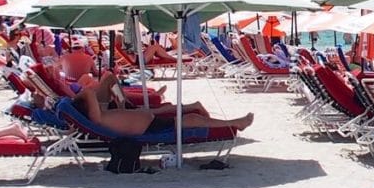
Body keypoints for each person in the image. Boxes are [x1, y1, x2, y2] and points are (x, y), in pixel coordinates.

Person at [78, 78, 252, 135]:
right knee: (192, 119)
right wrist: (81, 96)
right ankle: (235, 123)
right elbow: (90, 93)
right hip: (148, 128)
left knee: (184, 117)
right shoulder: (97, 118)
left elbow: (105, 81)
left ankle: (235, 122)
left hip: (147, 121)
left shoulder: (101, 114)